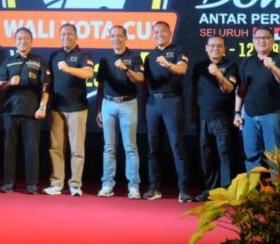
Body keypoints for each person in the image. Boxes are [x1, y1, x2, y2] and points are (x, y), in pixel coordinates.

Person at [0, 27, 50, 195]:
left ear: (31, 41)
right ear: (14, 42)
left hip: (32, 111)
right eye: (19, 38)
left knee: (32, 149)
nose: (22, 41)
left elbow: (46, 86)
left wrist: (42, 106)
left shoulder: (39, 61)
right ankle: (9, 182)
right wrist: (10, 83)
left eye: (26, 38)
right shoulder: (8, 61)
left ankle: (31, 184)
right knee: (9, 148)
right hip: (10, 110)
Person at [143, 21, 192, 202]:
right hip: (152, 103)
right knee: (152, 147)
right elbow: (145, 83)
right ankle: (154, 188)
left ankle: (184, 190)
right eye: (155, 32)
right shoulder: (149, 56)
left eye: (162, 31)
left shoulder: (178, 51)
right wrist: (144, 106)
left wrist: (168, 64)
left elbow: (183, 69)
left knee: (177, 146)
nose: (159, 34)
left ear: (169, 33)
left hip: (172, 101)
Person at [43, 23, 94, 197]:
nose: (66, 37)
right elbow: (48, 82)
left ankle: (75, 185)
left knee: (77, 149)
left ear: (76, 36)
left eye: (70, 34)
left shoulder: (83, 55)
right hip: (57, 108)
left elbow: (88, 73)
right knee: (55, 148)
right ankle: (57, 183)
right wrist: (44, 104)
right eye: (63, 34)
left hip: (77, 108)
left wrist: (68, 69)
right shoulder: (54, 56)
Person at [95, 25, 144, 199]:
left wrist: (126, 68)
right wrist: (98, 109)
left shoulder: (134, 57)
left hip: (128, 104)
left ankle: (134, 186)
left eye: (119, 35)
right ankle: (107, 184)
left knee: (130, 147)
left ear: (125, 37)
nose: (116, 39)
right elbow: (100, 86)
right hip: (108, 104)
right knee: (109, 147)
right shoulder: (105, 59)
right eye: (113, 36)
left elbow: (140, 79)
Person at [234, 27, 280, 172]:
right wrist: (237, 112)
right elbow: (241, 90)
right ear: (253, 41)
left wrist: (272, 66)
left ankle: (278, 186)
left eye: (266, 37)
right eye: (258, 38)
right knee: (252, 157)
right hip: (249, 116)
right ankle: (254, 186)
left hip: (272, 114)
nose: (262, 41)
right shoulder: (246, 62)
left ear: (273, 40)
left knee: (275, 158)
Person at [191, 35, 238, 202]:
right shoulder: (199, 67)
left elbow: (229, 88)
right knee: (206, 154)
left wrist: (218, 74)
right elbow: (194, 91)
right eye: (212, 46)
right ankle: (209, 190)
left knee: (224, 153)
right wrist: (193, 111)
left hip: (222, 117)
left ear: (224, 49)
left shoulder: (230, 66)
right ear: (206, 48)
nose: (215, 49)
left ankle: (226, 191)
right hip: (203, 117)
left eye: (219, 46)